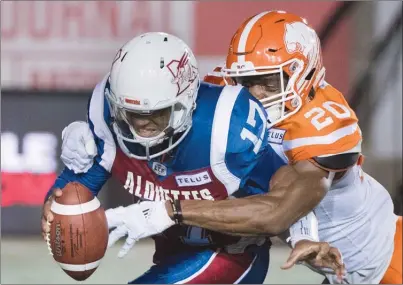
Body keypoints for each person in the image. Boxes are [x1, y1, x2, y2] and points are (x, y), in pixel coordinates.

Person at [42, 32, 344, 284]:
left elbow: (283, 196)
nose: (141, 126)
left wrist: (304, 236)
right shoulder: (107, 118)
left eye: (156, 114)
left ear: (187, 102)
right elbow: (69, 197)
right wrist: (56, 211)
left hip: (229, 254)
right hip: (173, 252)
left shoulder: (225, 128)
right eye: (131, 115)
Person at [205, 10, 402, 284]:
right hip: (348, 271)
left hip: (388, 263)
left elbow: (281, 206)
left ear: (302, 74)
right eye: (247, 82)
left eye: (268, 82)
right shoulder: (225, 98)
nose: (255, 95)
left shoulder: (322, 122)